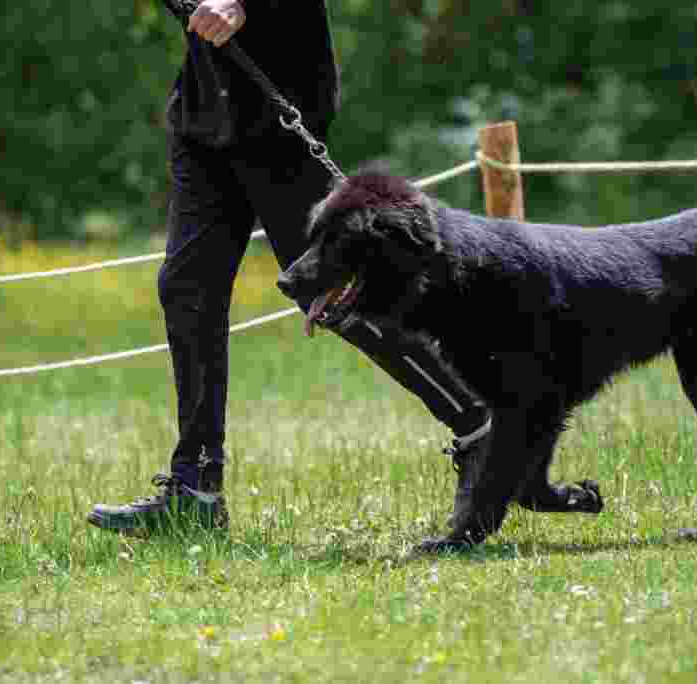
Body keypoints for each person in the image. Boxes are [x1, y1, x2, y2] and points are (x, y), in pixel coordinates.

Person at [87, 0, 489, 534]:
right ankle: (195, 490)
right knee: (187, 289)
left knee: (333, 294)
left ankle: (482, 432)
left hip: (278, 113)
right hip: (205, 116)